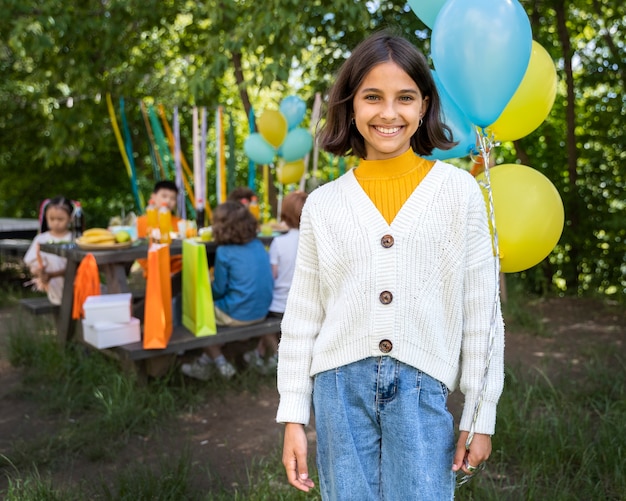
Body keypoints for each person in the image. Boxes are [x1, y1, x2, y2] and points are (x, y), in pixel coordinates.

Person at [276, 30, 505, 500]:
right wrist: (293, 417)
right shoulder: (323, 205)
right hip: (338, 393)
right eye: (372, 97)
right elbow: (302, 317)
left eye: (405, 98)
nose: (388, 113)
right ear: (351, 105)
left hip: (423, 391)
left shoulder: (459, 193)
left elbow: (482, 311)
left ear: (424, 106)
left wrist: (480, 415)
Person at [182, 201, 274, 380]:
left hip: (238, 314)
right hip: (262, 311)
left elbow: (219, 289)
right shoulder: (258, 245)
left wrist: (207, 294)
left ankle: (219, 363)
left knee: (198, 313)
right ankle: (206, 361)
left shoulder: (224, 251)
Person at [243, 190, 308, 374]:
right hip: (303, 303)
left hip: (279, 305)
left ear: (285, 214)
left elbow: (271, 278)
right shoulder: (313, 240)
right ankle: (259, 353)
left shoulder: (279, 242)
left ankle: (279, 356)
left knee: (261, 318)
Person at [23, 196, 74, 305]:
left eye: (60, 219)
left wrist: (52, 274)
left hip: (74, 285)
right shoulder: (41, 239)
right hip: (53, 287)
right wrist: (39, 272)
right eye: (51, 219)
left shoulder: (74, 238)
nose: (56, 222)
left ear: (71, 218)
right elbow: (31, 263)